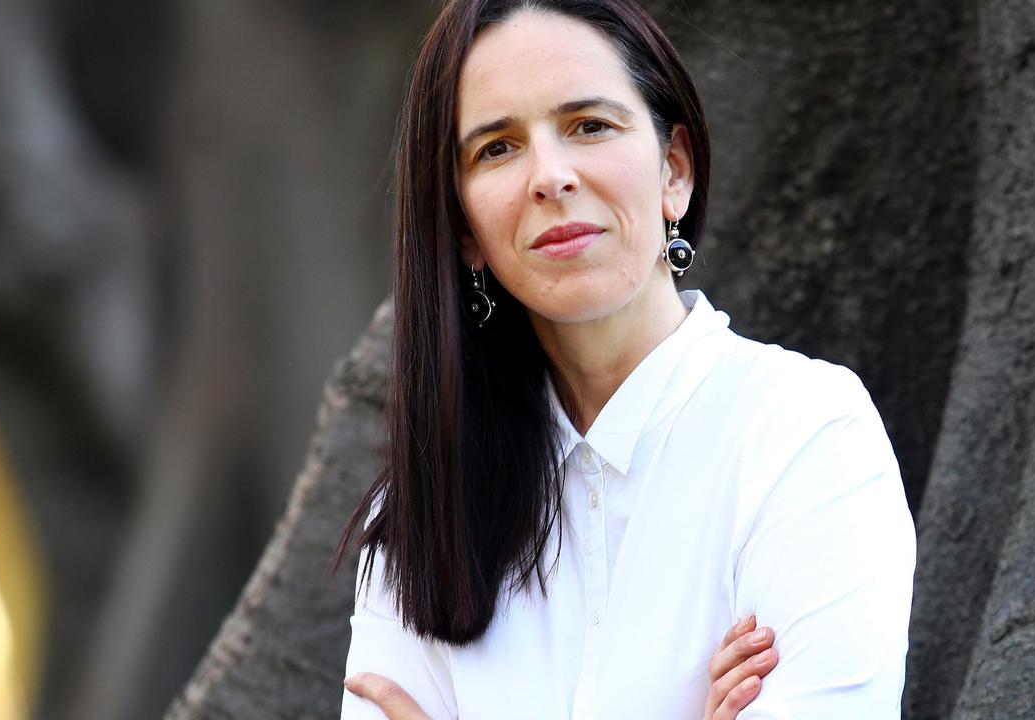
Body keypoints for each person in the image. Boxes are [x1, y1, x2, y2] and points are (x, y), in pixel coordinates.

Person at [334, 0, 916, 717]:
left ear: (674, 170)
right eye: (497, 148)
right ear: (465, 233)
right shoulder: (421, 516)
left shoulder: (804, 433)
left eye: (589, 126)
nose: (550, 176)